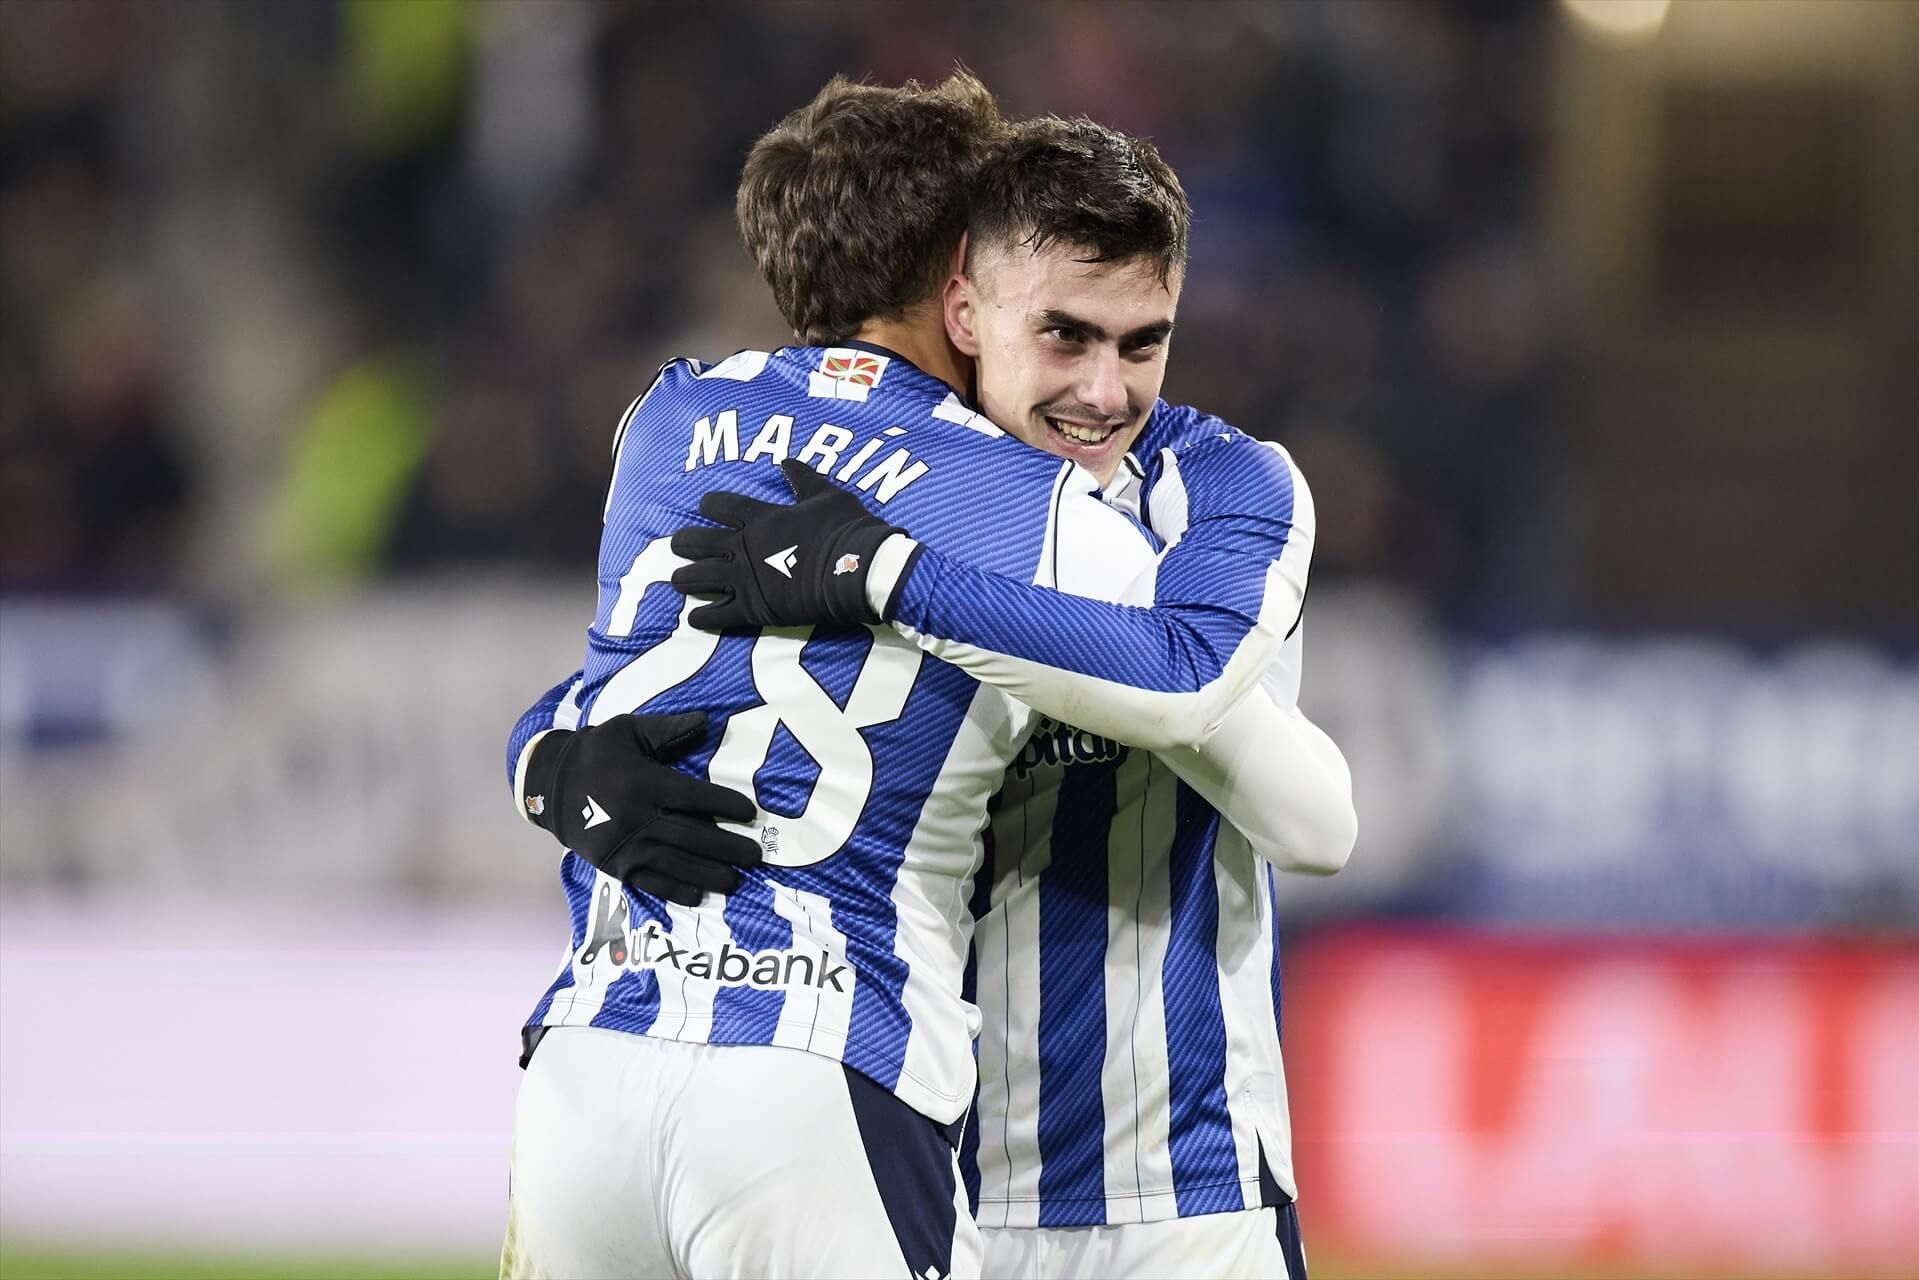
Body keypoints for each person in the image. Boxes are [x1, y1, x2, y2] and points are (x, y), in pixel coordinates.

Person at [498, 73, 1337, 1280]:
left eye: (1136, 343)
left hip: (599, 1048)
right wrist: (546, 752)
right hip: (864, 1083)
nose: (1101, 390)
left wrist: (543, 747)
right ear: (967, 290)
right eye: (1060, 328)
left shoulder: (673, 415)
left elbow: (1309, 808)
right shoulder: (1026, 499)